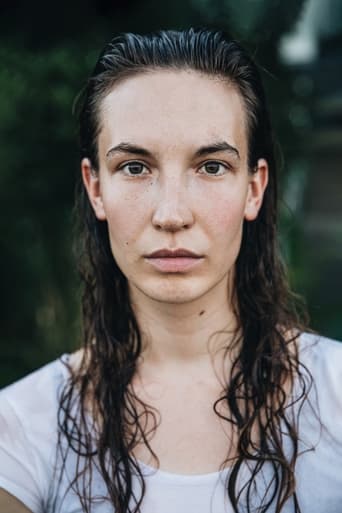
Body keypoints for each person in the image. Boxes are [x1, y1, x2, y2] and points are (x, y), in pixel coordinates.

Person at [0, 27, 341, 513]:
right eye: (135, 167)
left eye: (211, 166)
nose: (171, 214)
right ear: (95, 187)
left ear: (253, 188)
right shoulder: (20, 432)